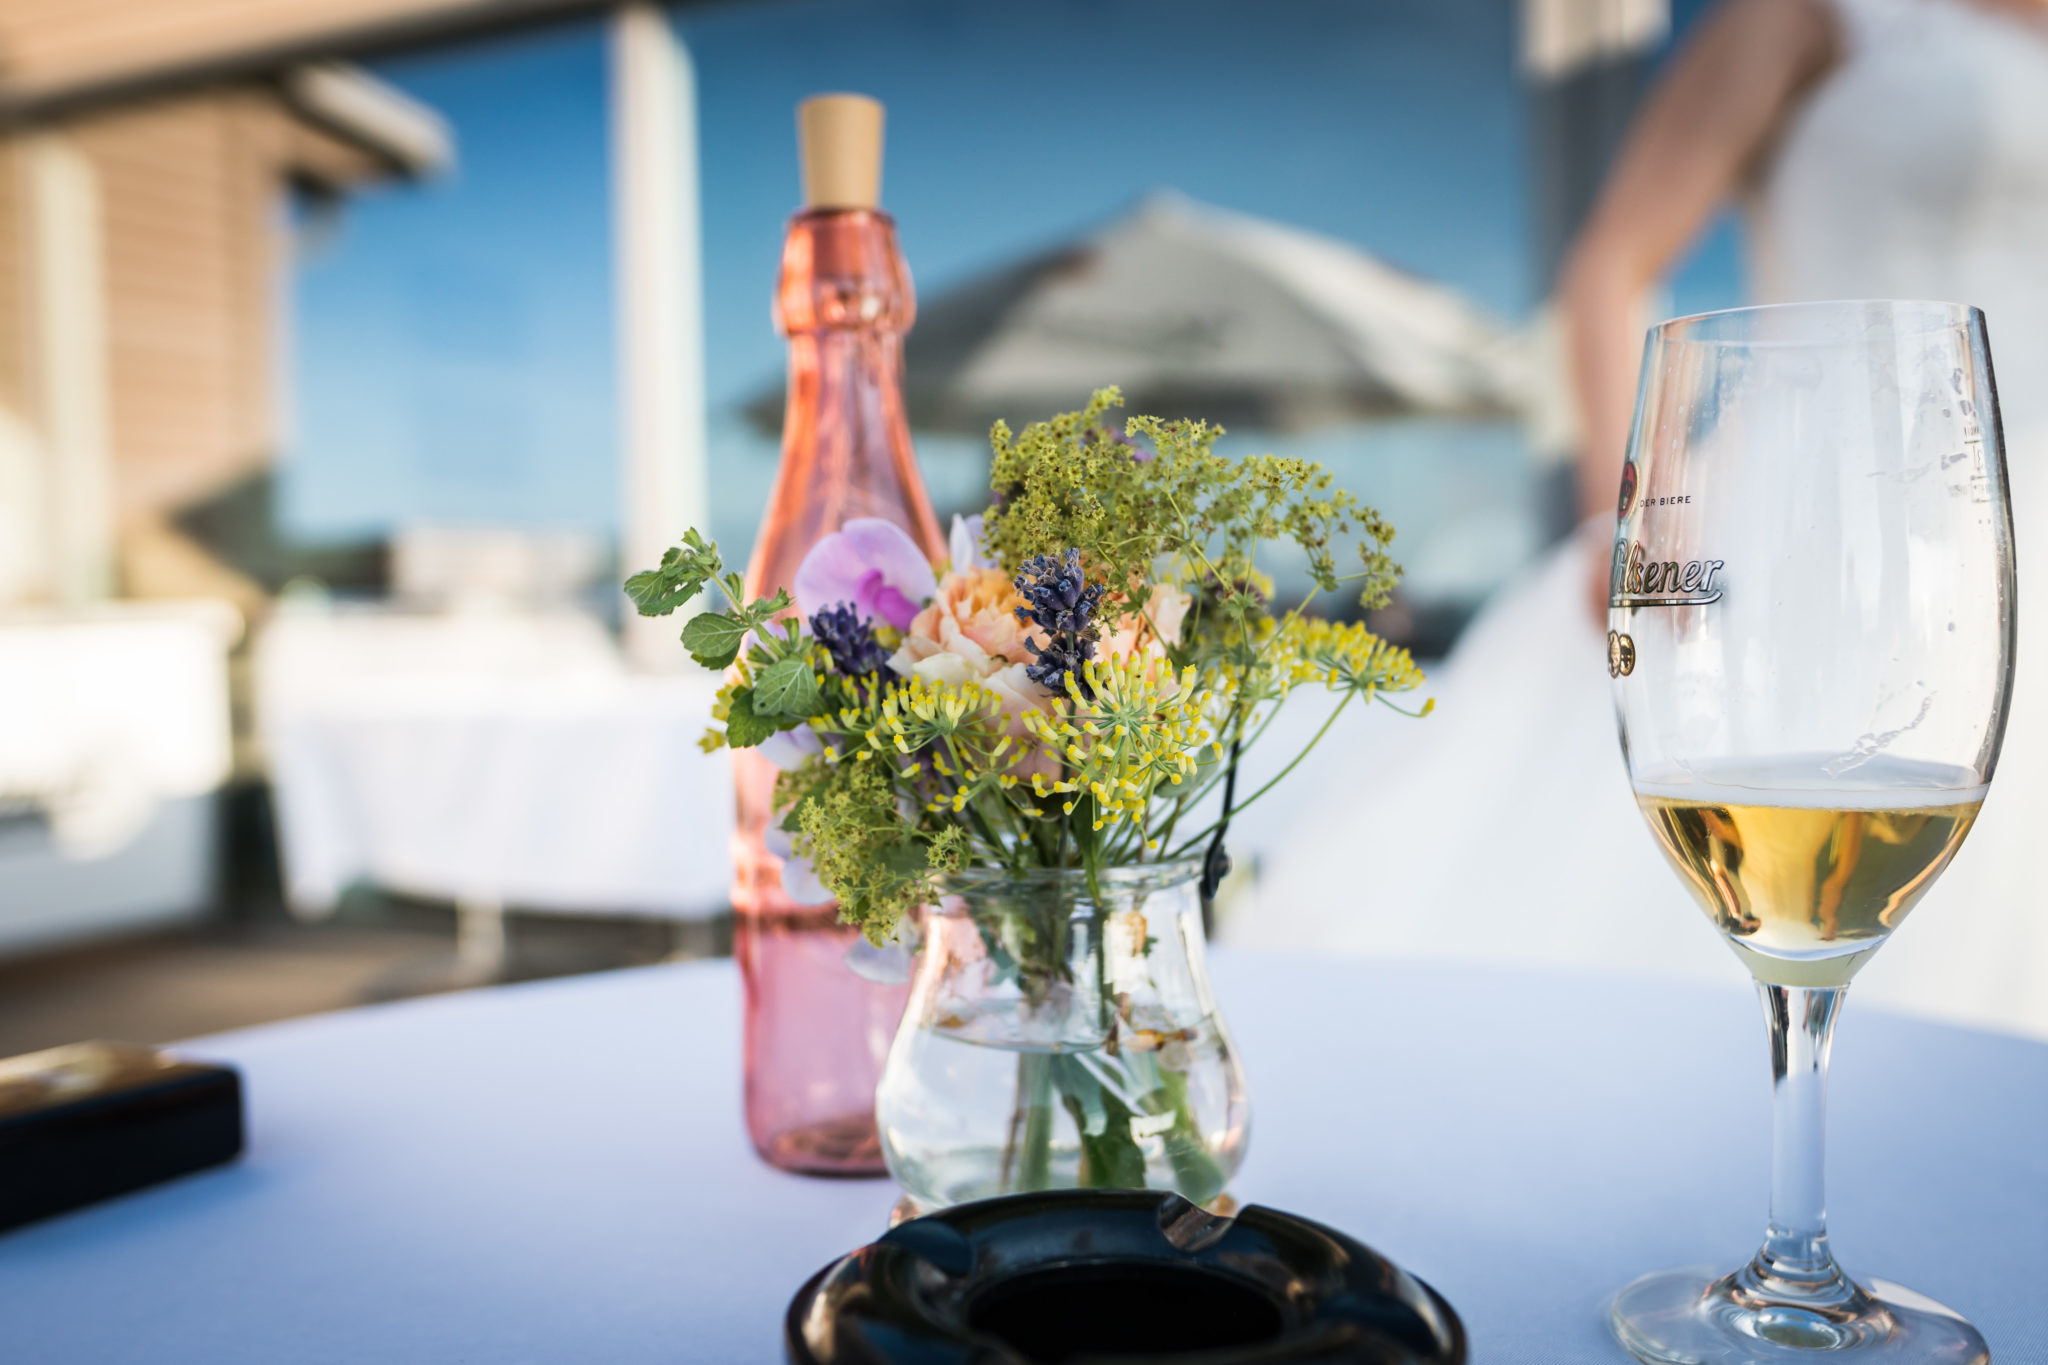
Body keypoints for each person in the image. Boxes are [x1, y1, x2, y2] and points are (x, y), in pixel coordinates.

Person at [1240, 0, 2048, 1038]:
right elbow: (1609, 267)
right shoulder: (1816, 12)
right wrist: (1626, 525)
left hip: (2009, 526)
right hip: (1813, 523)